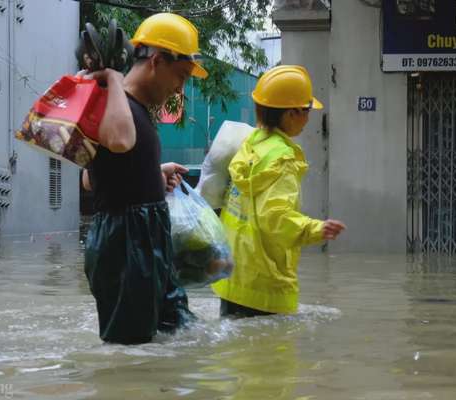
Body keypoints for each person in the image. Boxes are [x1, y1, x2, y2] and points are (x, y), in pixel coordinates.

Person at [83, 13, 208, 344]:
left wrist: (153, 174)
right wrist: (111, 78)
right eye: (181, 76)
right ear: (156, 61)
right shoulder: (114, 102)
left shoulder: (133, 108)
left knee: (182, 331)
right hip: (125, 246)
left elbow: (91, 178)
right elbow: (121, 142)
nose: (181, 88)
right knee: (131, 350)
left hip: (148, 242)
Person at [211, 65, 346, 318]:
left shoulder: (251, 145)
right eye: (306, 110)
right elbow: (275, 217)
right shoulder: (282, 158)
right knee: (272, 356)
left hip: (233, 277)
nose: (308, 118)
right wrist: (315, 229)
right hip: (264, 283)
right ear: (290, 114)